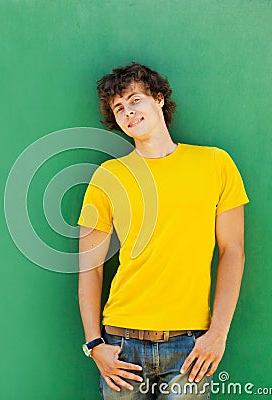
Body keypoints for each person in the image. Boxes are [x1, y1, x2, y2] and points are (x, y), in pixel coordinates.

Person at [78, 62, 249, 399]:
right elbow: (89, 266)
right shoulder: (107, 176)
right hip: (121, 345)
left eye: (135, 100)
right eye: (119, 108)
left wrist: (219, 333)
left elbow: (233, 251)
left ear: (158, 99)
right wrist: (94, 343)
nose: (129, 112)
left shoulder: (215, 164)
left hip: (190, 346)